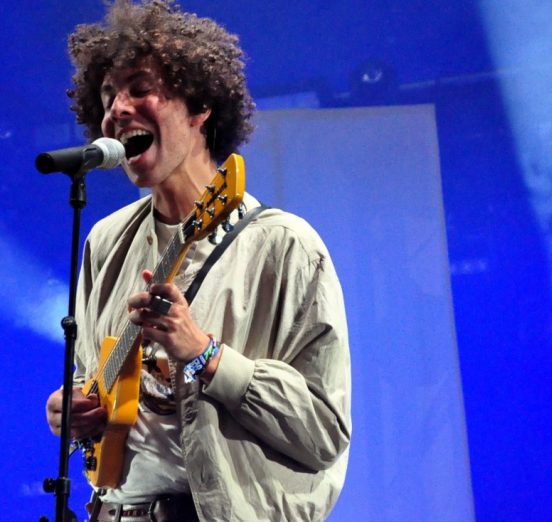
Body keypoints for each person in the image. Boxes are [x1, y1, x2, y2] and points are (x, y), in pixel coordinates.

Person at [44, 1, 351, 520]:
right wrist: (72, 407)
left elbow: (324, 432)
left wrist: (205, 354)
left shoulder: (285, 246)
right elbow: (87, 374)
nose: (117, 109)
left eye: (140, 88)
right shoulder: (105, 241)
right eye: (108, 95)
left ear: (200, 105)